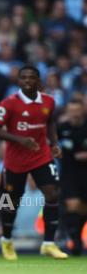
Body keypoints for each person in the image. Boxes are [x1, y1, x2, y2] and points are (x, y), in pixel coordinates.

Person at [0, 65, 68, 260]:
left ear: (38, 81)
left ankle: (48, 243)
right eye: (23, 78)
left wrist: (55, 144)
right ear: (18, 81)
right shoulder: (9, 104)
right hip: (16, 160)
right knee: (12, 202)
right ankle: (6, 240)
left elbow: (49, 123)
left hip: (41, 155)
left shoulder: (49, 101)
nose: (27, 81)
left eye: (31, 78)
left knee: (52, 193)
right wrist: (19, 139)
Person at [57, 100, 87, 255]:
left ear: (82, 110)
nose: (74, 113)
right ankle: (74, 240)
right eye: (71, 110)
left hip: (85, 173)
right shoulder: (62, 128)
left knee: (82, 207)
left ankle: (77, 238)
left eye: (77, 110)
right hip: (69, 173)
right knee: (72, 204)